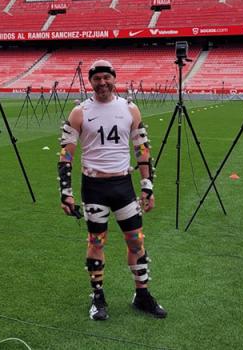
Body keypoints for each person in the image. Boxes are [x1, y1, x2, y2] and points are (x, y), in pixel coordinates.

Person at [58, 60, 167, 321]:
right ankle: (98, 297)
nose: (102, 82)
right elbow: (65, 155)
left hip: (123, 186)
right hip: (94, 187)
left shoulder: (130, 109)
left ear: (114, 79)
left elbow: (142, 149)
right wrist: (66, 191)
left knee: (136, 240)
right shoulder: (79, 112)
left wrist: (147, 186)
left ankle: (142, 295)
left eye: (107, 77)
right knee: (96, 242)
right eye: (97, 79)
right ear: (91, 81)